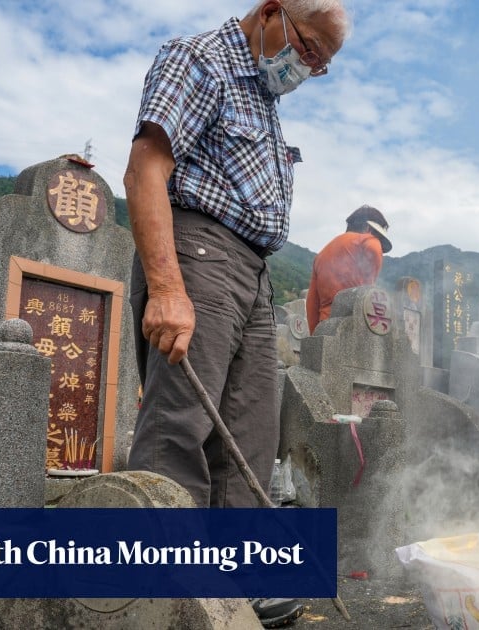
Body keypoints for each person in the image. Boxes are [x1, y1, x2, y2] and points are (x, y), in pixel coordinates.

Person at [123, 1, 348, 625]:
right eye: (308, 51)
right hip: (198, 249)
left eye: (321, 66)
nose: (307, 69)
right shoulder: (202, 59)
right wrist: (167, 286)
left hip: (253, 270)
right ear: (273, 12)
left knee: (246, 434)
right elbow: (146, 167)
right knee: (181, 425)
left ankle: (236, 590)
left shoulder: (266, 104)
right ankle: (164, 593)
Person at [305, 205, 392, 333]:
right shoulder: (366, 240)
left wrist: (315, 333)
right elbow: (373, 248)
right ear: (369, 228)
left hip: (325, 325)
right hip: (353, 323)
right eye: (378, 236)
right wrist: (370, 285)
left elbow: (312, 302)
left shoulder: (321, 255)